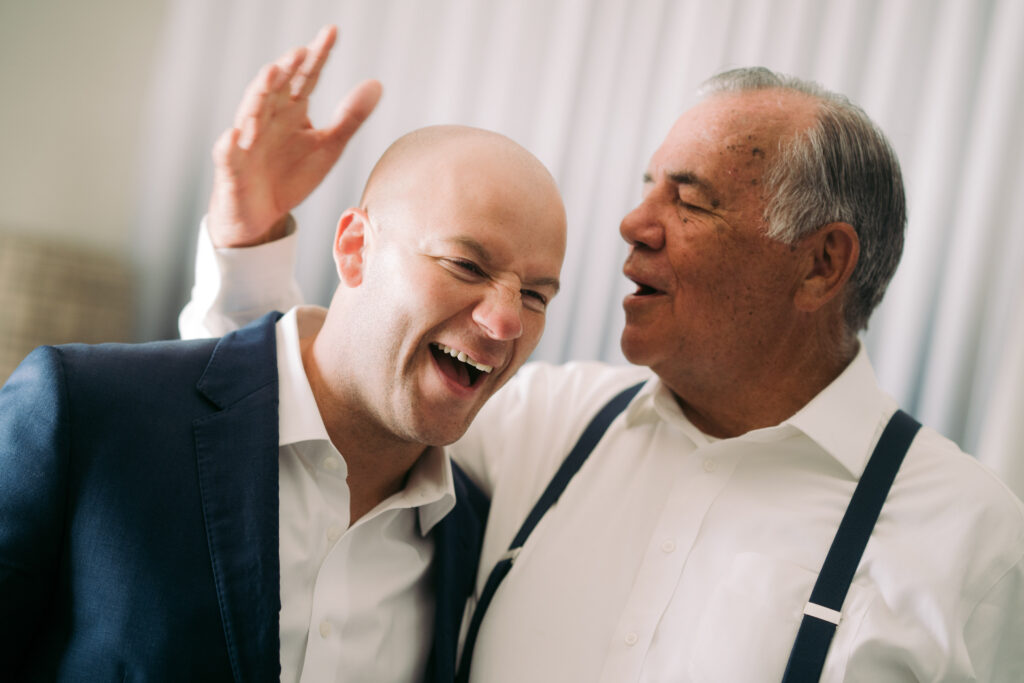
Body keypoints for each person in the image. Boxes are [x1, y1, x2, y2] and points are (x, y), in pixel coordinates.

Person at [182, 36, 1024, 683]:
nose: (632, 223)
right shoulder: (547, 421)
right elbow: (315, 410)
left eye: (687, 199)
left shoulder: (973, 537)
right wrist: (250, 239)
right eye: (648, 185)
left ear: (821, 264)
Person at [0, 27, 567, 683]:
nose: (505, 321)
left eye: (536, 294)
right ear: (355, 249)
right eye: (466, 265)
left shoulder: (475, 539)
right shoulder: (84, 412)